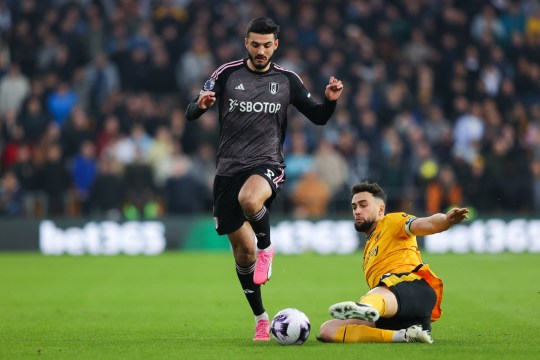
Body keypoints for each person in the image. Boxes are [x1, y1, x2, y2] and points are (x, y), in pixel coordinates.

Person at [185, 17, 343, 341]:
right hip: (227, 172)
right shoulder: (226, 74)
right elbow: (191, 111)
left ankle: (267, 248)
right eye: (255, 44)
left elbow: (319, 117)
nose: (260, 50)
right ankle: (260, 318)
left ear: (276, 46)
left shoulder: (287, 80)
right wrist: (199, 106)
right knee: (243, 254)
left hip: (267, 164)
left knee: (250, 199)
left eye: (266, 45)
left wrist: (330, 99)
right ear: (246, 43)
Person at [318, 181, 469, 344]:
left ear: (381, 209)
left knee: (378, 291)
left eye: (363, 205)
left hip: (413, 289)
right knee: (328, 329)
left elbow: (428, 223)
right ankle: (403, 335)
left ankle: (367, 308)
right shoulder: (368, 250)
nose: (357, 211)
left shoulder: (392, 221)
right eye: (354, 207)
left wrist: (446, 220)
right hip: (397, 313)